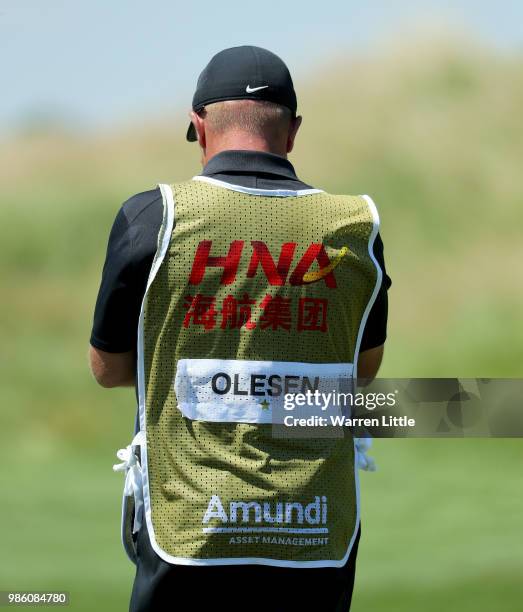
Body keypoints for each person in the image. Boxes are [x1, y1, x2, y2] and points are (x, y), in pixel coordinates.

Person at [89, 45, 391, 612]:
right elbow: (362, 366)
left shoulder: (155, 215)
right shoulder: (355, 226)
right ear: (293, 132)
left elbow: (108, 369)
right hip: (315, 528)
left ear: (199, 126)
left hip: (190, 529)